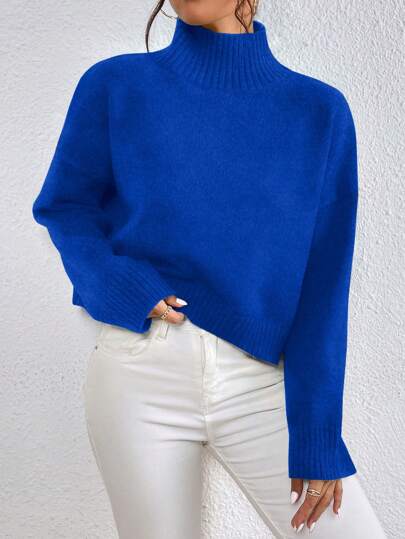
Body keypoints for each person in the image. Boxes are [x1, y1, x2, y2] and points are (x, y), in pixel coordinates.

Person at [32, 1, 387, 537]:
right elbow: (65, 207)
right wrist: (118, 284)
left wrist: (317, 435)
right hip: (140, 373)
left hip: (263, 383)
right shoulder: (117, 85)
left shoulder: (318, 111)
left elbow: (323, 286)